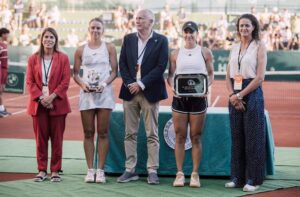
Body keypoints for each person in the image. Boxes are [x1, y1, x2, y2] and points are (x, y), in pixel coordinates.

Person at [117, 9, 168, 185]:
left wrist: (141, 83)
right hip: (130, 92)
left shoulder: (161, 40)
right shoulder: (128, 38)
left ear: (151, 21)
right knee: (129, 133)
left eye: (141, 18)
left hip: (150, 92)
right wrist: (131, 82)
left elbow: (161, 66)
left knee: (152, 133)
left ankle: (152, 170)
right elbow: (122, 63)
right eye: (136, 18)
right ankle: (130, 169)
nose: (137, 21)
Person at [167, 21, 214, 187]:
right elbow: (171, 76)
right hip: (179, 99)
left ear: (197, 33)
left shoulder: (205, 52)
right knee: (179, 136)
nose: (189, 35)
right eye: (186, 32)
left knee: (196, 137)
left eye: (191, 32)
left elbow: (210, 74)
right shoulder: (175, 53)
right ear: (182, 34)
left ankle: (194, 174)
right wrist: (173, 87)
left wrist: (206, 88)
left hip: (198, 100)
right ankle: (180, 174)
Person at [225, 14, 267, 192]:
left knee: (253, 138)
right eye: (241, 26)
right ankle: (237, 177)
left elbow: (260, 77)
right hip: (235, 94)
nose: (244, 29)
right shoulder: (234, 47)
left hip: (252, 93)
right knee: (237, 137)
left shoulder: (260, 46)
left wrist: (240, 95)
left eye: (247, 26)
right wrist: (232, 96)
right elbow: (228, 75)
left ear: (253, 27)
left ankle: (253, 178)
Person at [73, 17, 118, 183]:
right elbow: (76, 74)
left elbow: (115, 71)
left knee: (103, 132)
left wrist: (104, 84)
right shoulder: (80, 50)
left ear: (103, 30)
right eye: (93, 28)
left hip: (104, 94)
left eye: (98, 28)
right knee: (88, 132)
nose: (95, 31)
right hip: (87, 95)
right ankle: (90, 169)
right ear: (88, 29)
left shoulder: (110, 48)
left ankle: (101, 170)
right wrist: (83, 85)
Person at [26, 27, 71, 182]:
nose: (49, 40)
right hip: (39, 106)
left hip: (57, 104)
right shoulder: (33, 59)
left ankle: (55, 170)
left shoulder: (63, 58)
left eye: (52, 37)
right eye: (46, 37)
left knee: (57, 139)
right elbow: (30, 82)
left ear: (56, 40)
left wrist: (51, 97)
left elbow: (65, 82)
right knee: (41, 139)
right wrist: (41, 99)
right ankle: (42, 170)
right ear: (41, 39)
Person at [0, 28, 10, 118]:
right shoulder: (0, 45)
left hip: (4, 70)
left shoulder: (5, 45)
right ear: (3, 34)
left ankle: (1, 108)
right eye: (7, 34)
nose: (8, 36)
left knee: (1, 90)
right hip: (1, 69)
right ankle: (1, 109)